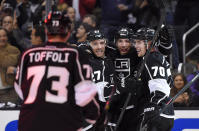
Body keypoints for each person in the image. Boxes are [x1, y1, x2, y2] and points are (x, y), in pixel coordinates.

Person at [14, 10, 99, 131]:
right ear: (69, 32)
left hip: (29, 122)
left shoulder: (28, 54)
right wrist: (96, 117)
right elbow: (85, 95)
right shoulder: (75, 54)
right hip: (63, 122)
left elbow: (19, 89)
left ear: (46, 31)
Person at [133, 27, 174, 131]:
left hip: (157, 113)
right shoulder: (158, 57)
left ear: (149, 43)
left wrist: (154, 107)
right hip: (164, 113)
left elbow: (160, 87)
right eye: (135, 42)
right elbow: (170, 83)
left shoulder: (151, 58)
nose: (136, 46)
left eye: (139, 42)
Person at [79, 29, 117, 131]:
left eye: (101, 43)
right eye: (95, 44)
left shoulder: (111, 58)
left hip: (108, 111)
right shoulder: (84, 60)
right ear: (89, 44)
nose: (99, 47)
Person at [0, 27, 20, 106]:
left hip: (9, 92)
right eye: (0, 36)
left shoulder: (14, 50)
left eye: (4, 36)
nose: (2, 38)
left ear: (7, 37)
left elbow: (6, 62)